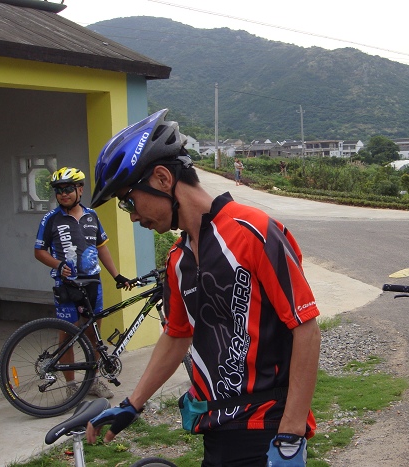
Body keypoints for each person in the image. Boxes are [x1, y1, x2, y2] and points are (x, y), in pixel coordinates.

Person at [85, 109, 321, 467]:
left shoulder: (254, 231)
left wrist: (291, 431)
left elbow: (306, 328)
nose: (131, 215)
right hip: (215, 429)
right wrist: (132, 404)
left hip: (266, 429)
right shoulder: (178, 259)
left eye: (128, 201)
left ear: (162, 178)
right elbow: (176, 336)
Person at [34, 166, 132, 399]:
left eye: (68, 189)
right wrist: (58, 264)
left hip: (92, 284)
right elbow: (39, 251)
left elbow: (102, 248)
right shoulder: (51, 219)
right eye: (58, 190)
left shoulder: (92, 216)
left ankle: (93, 381)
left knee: (93, 333)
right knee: (66, 335)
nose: (63, 194)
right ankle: (70, 385)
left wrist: (116, 275)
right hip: (66, 285)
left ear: (80, 189)